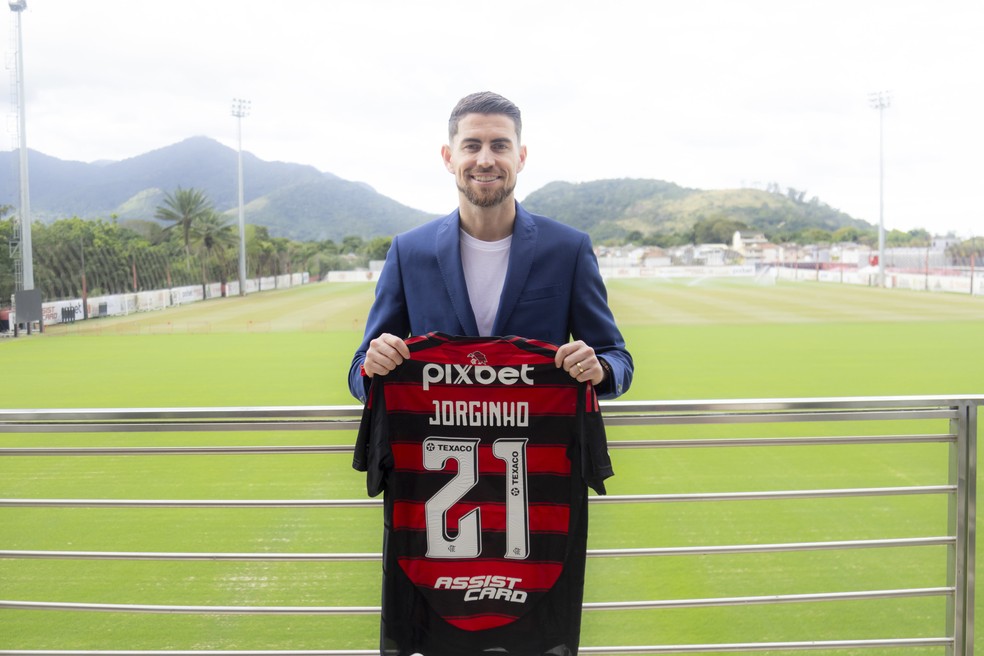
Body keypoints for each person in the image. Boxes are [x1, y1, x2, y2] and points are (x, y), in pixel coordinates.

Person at [348, 91, 632, 402]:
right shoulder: (408, 252)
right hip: (442, 448)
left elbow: (616, 358)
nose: (485, 160)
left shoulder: (569, 249)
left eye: (499, 145)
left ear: (520, 157)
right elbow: (360, 368)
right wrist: (372, 366)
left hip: (538, 444)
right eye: (471, 146)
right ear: (448, 157)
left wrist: (601, 367)